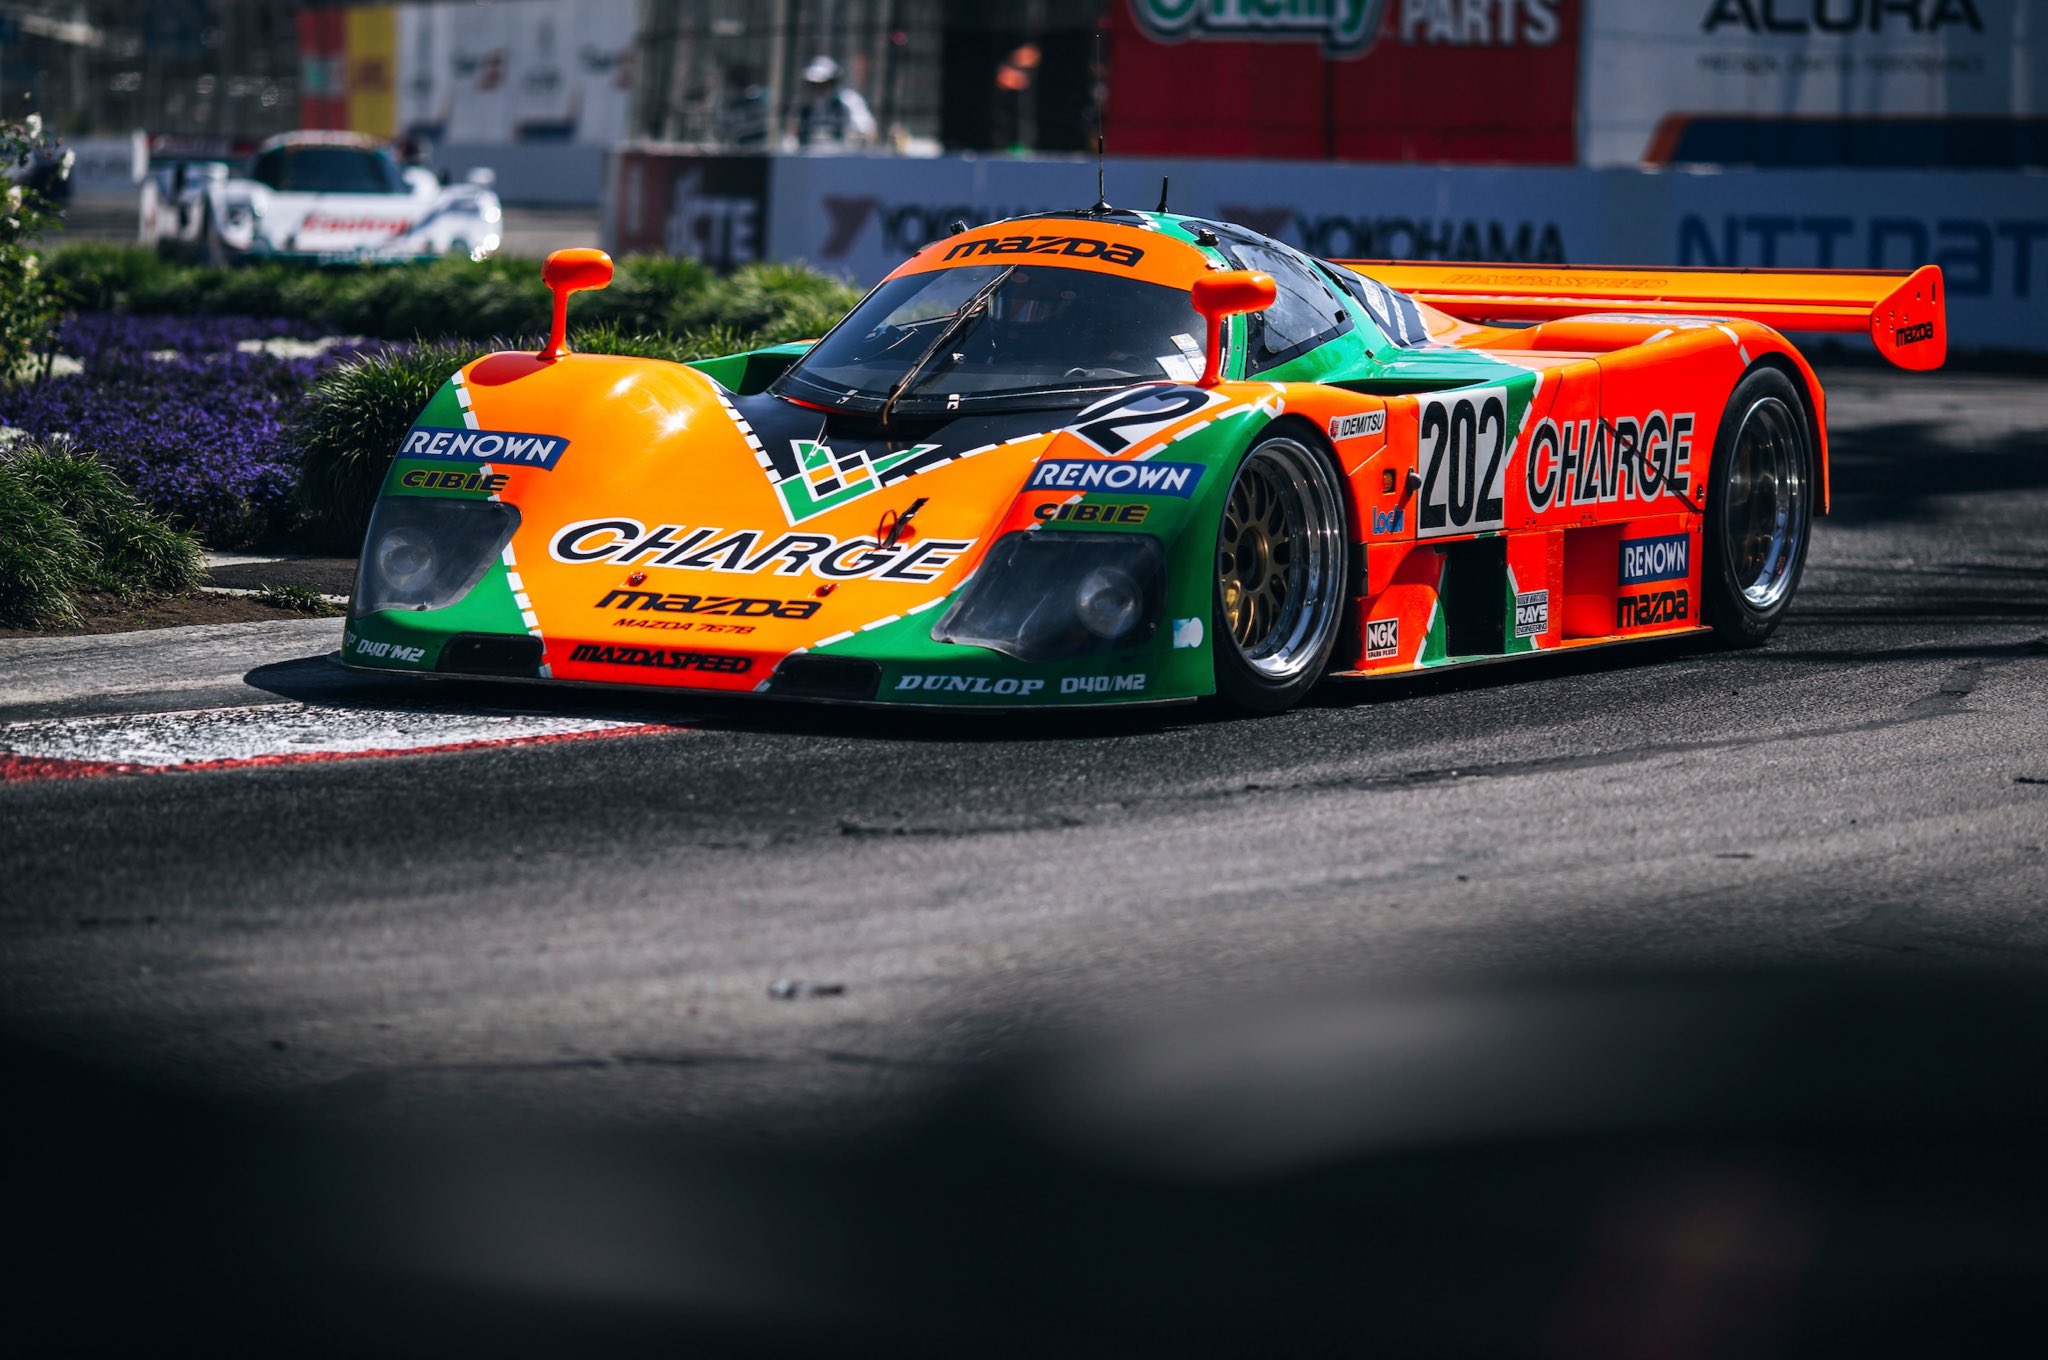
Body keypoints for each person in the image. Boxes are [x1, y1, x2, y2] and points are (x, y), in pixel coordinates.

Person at [790, 55, 877, 150]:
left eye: (823, 84)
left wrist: (851, 138)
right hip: (809, 161)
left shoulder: (849, 101)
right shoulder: (804, 108)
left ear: (833, 82)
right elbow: (793, 137)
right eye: (813, 84)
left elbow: (867, 131)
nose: (817, 88)